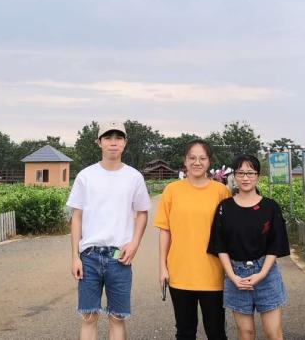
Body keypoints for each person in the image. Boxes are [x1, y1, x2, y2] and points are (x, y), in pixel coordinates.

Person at [67, 121, 151, 340]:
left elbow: (142, 212)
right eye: (108, 138)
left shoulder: (134, 177)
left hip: (118, 256)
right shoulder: (86, 176)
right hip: (89, 256)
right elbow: (76, 216)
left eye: (118, 138)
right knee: (88, 316)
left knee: (117, 318)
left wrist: (134, 244)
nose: (113, 143)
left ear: (125, 142)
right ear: (99, 142)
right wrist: (75, 256)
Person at [154, 140, 232, 340]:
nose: (197, 162)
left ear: (209, 161)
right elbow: (165, 231)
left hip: (213, 273)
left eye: (202, 158)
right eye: (192, 158)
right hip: (180, 273)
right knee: (185, 332)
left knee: (216, 332)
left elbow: (229, 233)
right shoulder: (172, 190)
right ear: (185, 161)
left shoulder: (221, 191)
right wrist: (162, 267)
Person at [208, 154, 290, 340]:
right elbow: (220, 245)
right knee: (246, 333)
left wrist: (262, 274)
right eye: (241, 173)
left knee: (273, 332)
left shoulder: (270, 207)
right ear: (234, 176)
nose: (245, 178)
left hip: (266, 273)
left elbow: (275, 245)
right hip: (236, 275)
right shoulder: (224, 207)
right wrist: (232, 276)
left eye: (250, 173)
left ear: (257, 176)